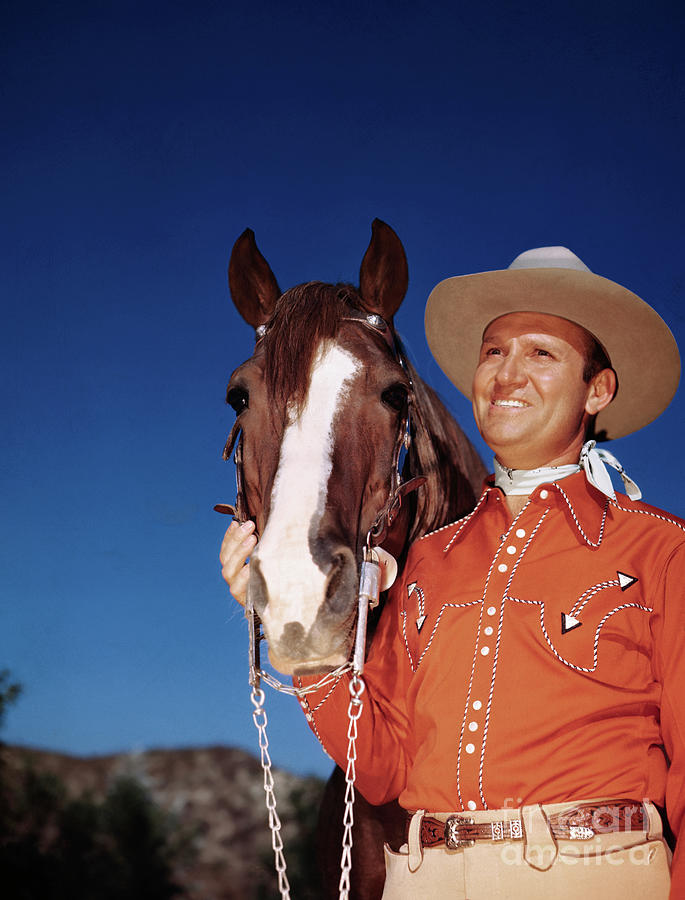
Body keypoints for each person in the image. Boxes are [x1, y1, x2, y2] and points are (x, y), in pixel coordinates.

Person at [220, 246, 683, 898]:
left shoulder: (660, 551)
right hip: (424, 878)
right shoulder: (427, 564)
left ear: (597, 390)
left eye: (540, 354)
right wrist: (308, 647)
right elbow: (379, 771)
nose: (506, 374)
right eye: (493, 352)